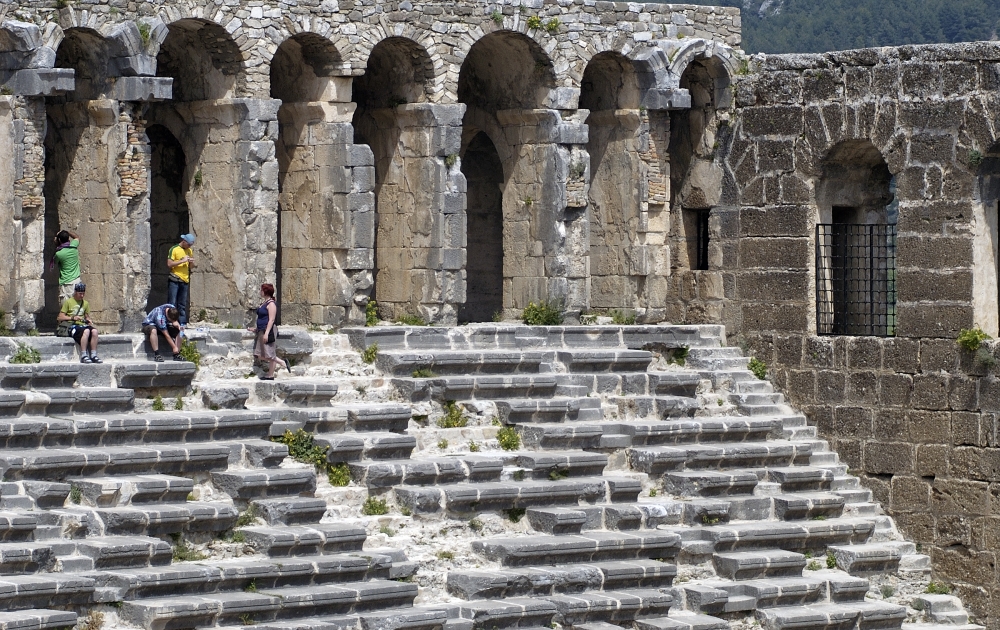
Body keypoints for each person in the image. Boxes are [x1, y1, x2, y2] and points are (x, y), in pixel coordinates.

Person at [249, 283, 289, 380]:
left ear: (266, 291)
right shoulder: (264, 303)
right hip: (262, 330)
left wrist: (266, 333)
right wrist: (256, 329)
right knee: (259, 354)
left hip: (268, 331)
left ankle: (273, 372)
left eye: (261, 290)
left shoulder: (271, 304)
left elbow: (271, 320)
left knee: (269, 353)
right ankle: (280, 364)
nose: (260, 291)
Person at [57, 283, 101, 364]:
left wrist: (88, 320)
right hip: (72, 325)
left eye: (83, 293)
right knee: (86, 331)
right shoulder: (68, 302)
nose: (82, 296)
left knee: (94, 331)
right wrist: (72, 317)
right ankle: (84, 355)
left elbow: (86, 316)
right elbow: (60, 317)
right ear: (75, 292)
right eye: (80, 293)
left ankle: (94, 355)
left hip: (82, 325)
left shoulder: (85, 303)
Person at [167, 233, 195, 328]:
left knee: (182, 304)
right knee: (172, 302)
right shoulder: (174, 249)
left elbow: (191, 267)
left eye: (191, 245)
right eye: (189, 244)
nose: (189, 247)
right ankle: (170, 321)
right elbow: (169, 264)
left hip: (185, 280)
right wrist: (182, 261)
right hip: (175, 278)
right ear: (184, 241)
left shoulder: (189, 251)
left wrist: (191, 262)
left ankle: (182, 322)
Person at [51, 229, 82, 302]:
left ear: (59, 240)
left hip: (66, 283)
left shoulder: (59, 254)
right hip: (77, 281)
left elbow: (55, 261)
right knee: (77, 307)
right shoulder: (74, 247)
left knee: (66, 309)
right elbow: (77, 237)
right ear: (68, 239)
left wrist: (56, 244)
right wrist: (67, 232)